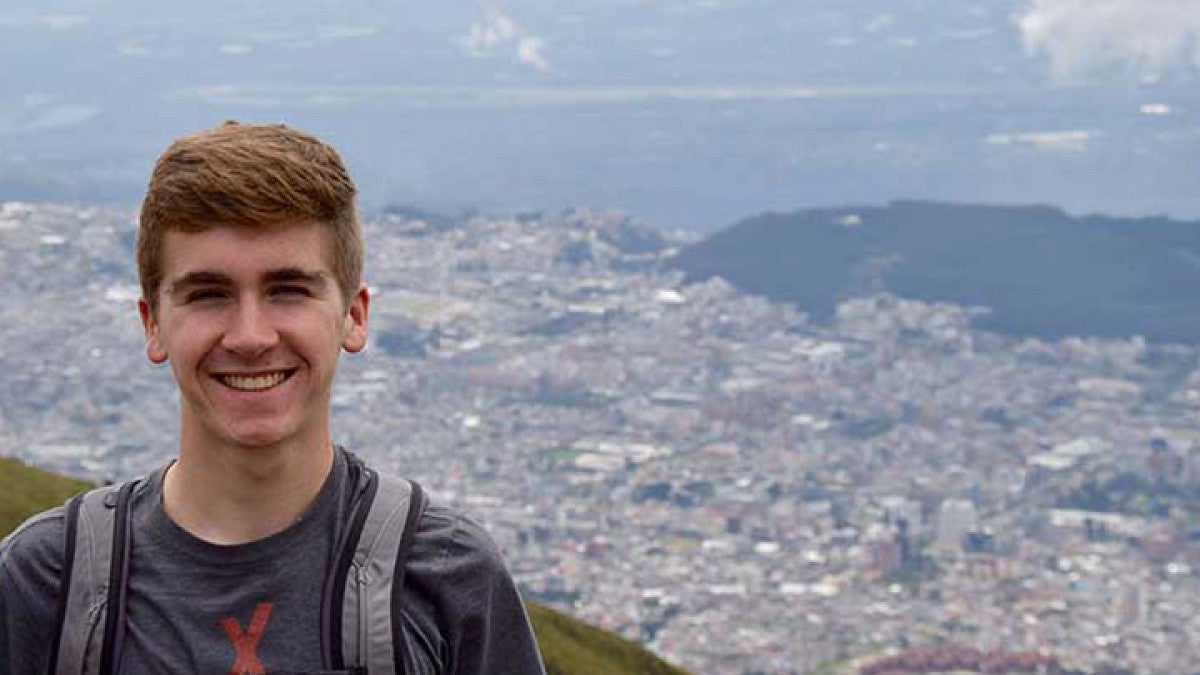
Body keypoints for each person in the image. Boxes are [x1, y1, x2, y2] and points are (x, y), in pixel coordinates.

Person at [0, 122, 547, 675]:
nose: (251, 337)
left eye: (288, 291)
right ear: (153, 325)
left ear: (354, 316)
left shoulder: (446, 579)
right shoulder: (44, 585)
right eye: (208, 294)